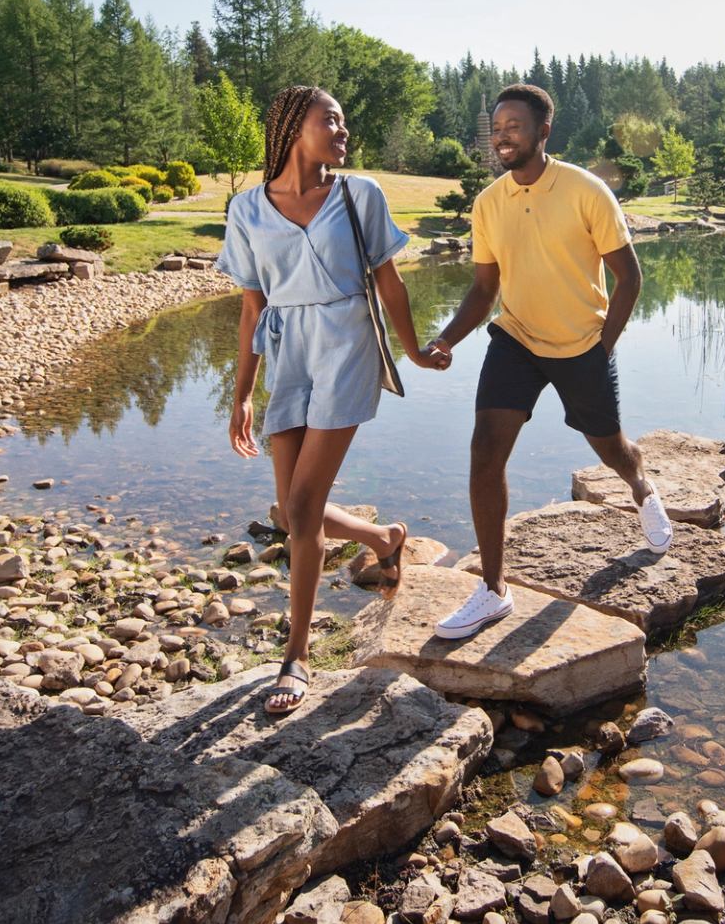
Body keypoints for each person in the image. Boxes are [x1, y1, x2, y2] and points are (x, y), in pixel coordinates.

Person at [217, 85, 446, 714]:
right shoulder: (247, 209)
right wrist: (240, 395)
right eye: (331, 120)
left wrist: (414, 350)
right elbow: (250, 307)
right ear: (294, 127)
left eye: (344, 120)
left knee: (304, 501)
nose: (343, 130)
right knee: (292, 518)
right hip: (287, 350)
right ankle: (384, 539)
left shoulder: (358, 193)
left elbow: (389, 281)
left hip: (347, 346)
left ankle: (296, 655)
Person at [419, 83, 672, 641]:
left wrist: (603, 347)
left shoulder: (586, 191)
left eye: (514, 125)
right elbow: (484, 289)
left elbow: (630, 277)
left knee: (611, 450)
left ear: (543, 132)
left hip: (582, 344)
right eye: (497, 127)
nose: (502, 136)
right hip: (516, 339)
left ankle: (642, 488)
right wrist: (446, 340)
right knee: (485, 451)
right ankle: (492, 589)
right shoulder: (488, 203)